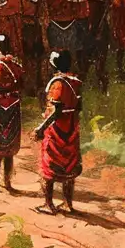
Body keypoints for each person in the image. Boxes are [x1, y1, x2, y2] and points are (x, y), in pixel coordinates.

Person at [36, 49, 84, 214]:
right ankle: (68, 203)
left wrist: (41, 127)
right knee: (69, 166)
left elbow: (56, 111)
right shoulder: (76, 82)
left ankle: (48, 204)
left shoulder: (57, 84)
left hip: (56, 129)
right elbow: (79, 107)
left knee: (49, 165)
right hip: (71, 127)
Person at [0, 31, 26, 192]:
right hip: (14, 105)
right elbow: (22, 84)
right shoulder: (17, 64)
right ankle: (8, 183)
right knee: (9, 146)